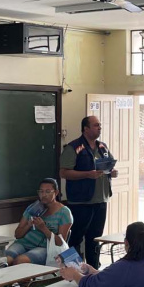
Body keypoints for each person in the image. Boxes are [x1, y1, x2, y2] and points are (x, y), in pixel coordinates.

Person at [60, 115, 119, 269]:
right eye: (95, 125)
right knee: (76, 238)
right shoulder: (73, 148)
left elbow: (108, 166)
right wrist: (87, 174)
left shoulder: (102, 147)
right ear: (86, 128)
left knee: (95, 238)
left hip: (100, 200)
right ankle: (74, 270)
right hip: (81, 201)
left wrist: (111, 172)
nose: (99, 127)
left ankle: (93, 269)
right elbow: (64, 173)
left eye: (99, 125)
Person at [5, 178, 73, 266]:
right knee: (5, 261)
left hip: (45, 248)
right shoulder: (33, 208)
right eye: (41, 191)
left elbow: (60, 243)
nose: (43, 195)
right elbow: (17, 235)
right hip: (24, 243)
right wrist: (28, 225)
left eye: (48, 191)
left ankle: (27, 279)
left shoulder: (64, 212)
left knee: (20, 261)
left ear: (56, 193)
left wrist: (44, 228)